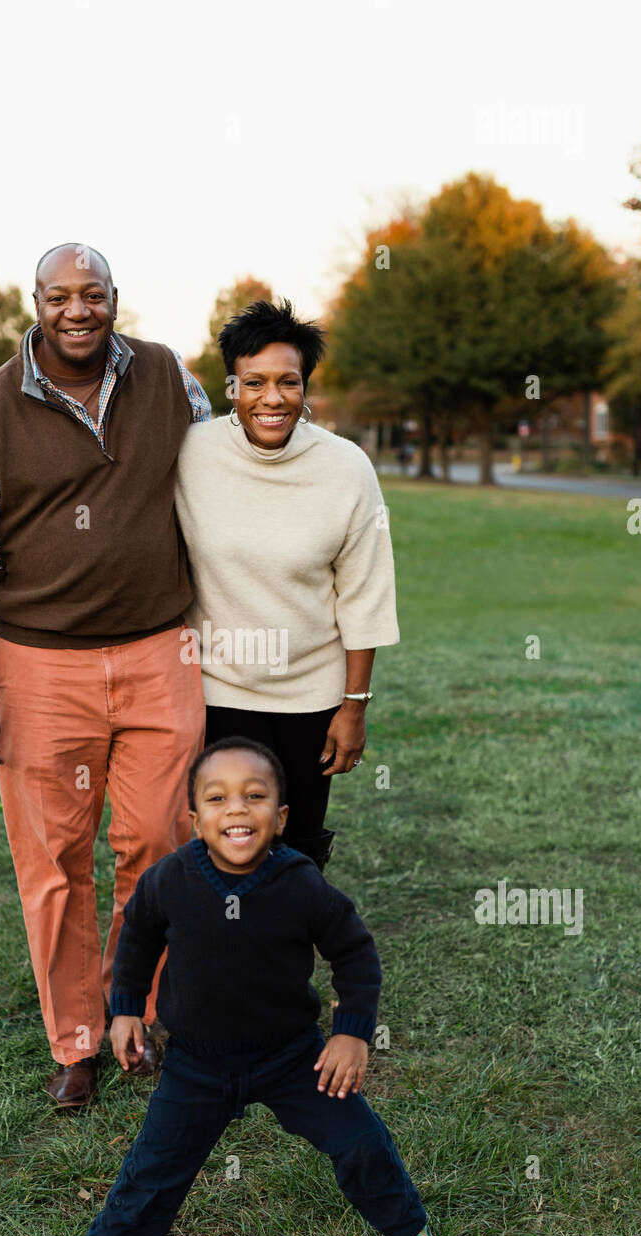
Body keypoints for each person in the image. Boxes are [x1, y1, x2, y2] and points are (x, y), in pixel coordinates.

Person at [0, 243, 210, 1108]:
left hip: (162, 652)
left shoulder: (166, 377)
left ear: (115, 299)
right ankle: (76, 1040)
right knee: (53, 861)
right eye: (59, 296)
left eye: (93, 294)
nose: (76, 309)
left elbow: (223, 476)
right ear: (35, 303)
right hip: (38, 667)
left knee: (160, 842)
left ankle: (140, 1016)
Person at [63, 738, 441, 1236]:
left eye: (255, 795)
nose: (237, 809)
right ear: (194, 820)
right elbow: (137, 939)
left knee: (360, 1141)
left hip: (290, 1056)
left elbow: (355, 954)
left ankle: (409, 1231)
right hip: (195, 1063)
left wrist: (352, 1033)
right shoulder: (170, 880)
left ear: (281, 817)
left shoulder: (301, 884)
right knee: (153, 1171)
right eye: (217, 798)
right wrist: (123, 1012)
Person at [174, 299, 398, 873]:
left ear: (305, 388)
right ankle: (223, 959)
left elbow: (365, 594)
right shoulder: (190, 455)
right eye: (255, 383)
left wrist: (355, 705)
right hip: (216, 694)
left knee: (294, 855)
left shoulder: (346, 468)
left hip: (311, 702)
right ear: (231, 387)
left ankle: (285, 962)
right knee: (221, 849)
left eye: (288, 383)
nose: (272, 399)